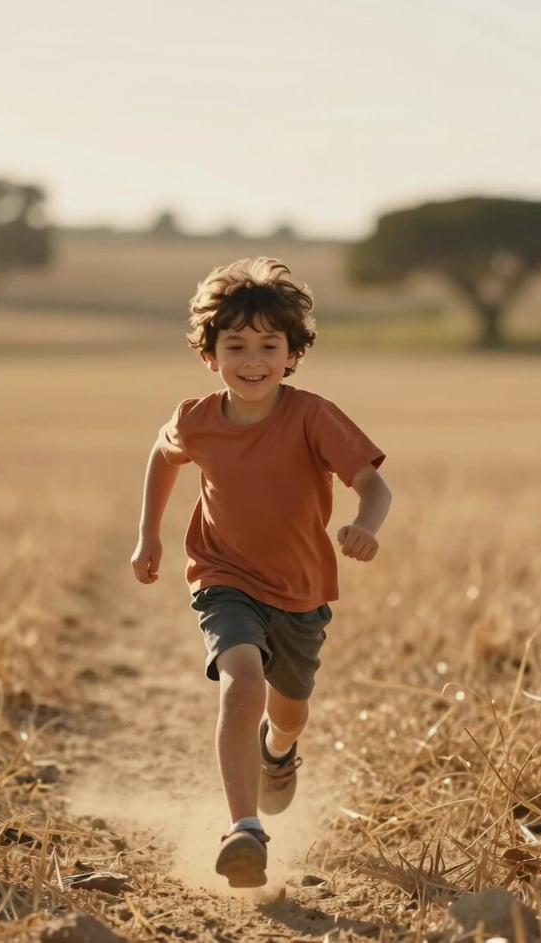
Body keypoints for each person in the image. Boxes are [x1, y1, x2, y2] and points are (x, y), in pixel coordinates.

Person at [130, 257, 391, 889]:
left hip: (301, 591)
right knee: (241, 682)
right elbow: (164, 458)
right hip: (224, 576)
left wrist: (367, 525)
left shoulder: (311, 416)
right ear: (210, 353)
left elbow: (372, 483)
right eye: (236, 345)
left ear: (292, 353)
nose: (252, 360)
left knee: (289, 709)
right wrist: (148, 535)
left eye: (268, 346)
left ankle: (280, 749)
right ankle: (244, 828)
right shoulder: (196, 419)